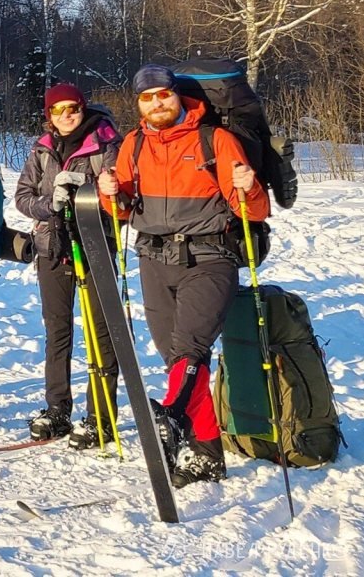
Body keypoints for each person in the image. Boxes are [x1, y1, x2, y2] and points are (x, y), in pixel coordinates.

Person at [98, 65, 268, 487]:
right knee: (179, 359)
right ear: (138, 103)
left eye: (163, 95)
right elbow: (122, 211)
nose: (157, 103)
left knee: (190, 349)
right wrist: (109, 195)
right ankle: (208, 454)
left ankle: (170, 418)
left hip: (210, 257)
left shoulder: (216, 140)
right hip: (154, 259)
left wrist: (248, 186)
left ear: (177, 97)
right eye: (148, 98)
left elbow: (256, 212)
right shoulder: (133, 145)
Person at [12, 82, 121, 447]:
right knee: (57, 332)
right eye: (57, 111)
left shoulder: (105, 142)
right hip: (52, 248)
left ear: (82, 107)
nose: (65, 116)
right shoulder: (42, 149)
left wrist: (87, 186)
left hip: (94, 245)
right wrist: (50, 202)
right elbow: (23, 197)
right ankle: (57, 408)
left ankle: (100, 415)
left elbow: (116, 189)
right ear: (49, 116)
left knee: (100, 333)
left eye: (71, 108)